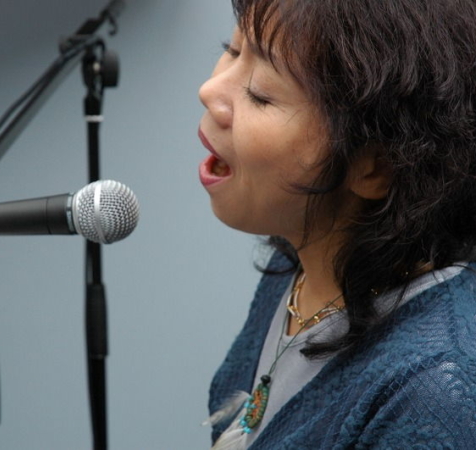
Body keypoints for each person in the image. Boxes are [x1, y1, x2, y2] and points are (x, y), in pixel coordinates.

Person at [197, 0, 476, 448]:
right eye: (231, 51)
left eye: (261, 93)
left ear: (375, 167)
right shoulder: (301, 263)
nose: (209, 90)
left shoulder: (433, 396)